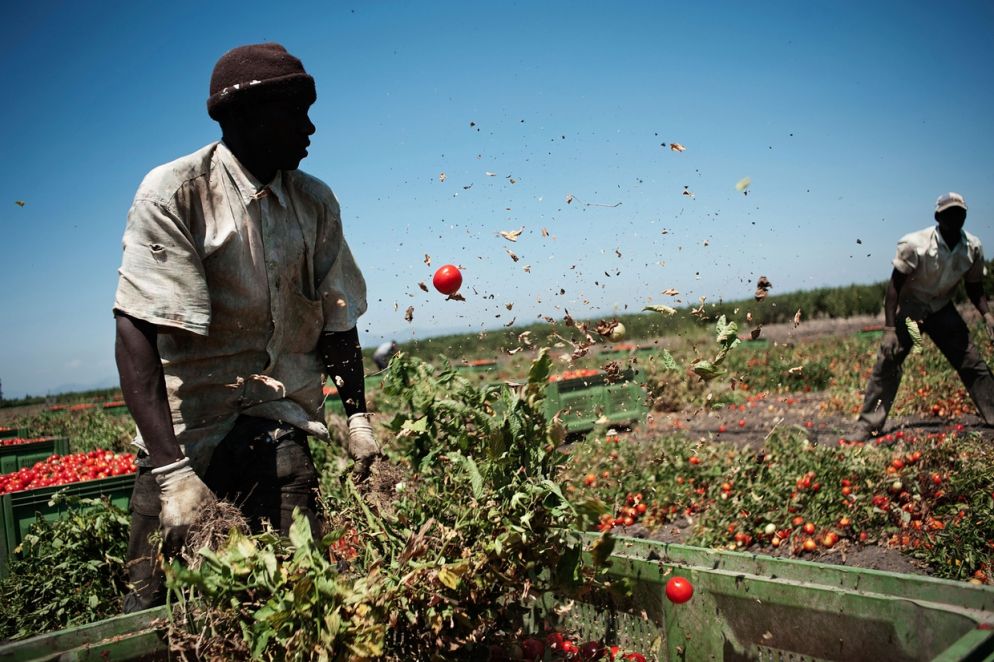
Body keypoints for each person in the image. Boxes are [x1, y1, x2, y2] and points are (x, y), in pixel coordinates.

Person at [113, 43, 381, 612]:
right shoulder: (177, 192)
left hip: (276, 420)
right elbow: (135, 328)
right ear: (245, 117)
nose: (310, 128)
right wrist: (169, 473)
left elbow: (337, 318)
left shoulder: (314, 203)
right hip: (189, 433)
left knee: (303, 602)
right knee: (153, 617)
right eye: (294, 112)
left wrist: (356, 414)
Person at [854, 192, 994, 440]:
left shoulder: (972, 247)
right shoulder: (915, 244)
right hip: (912, 309)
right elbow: (894, 288)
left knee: (972, 361)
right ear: (937, 216)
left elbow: (974, 287)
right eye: (949, 213)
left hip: (942, 308)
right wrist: (889, 330)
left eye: (959, 213)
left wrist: (987, 316)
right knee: (888, 362)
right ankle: (868, 425)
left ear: (965, 215)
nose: (955, 217)